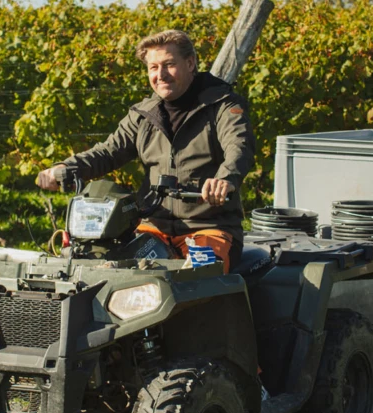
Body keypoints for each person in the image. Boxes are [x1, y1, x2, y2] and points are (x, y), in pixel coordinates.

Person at [36, 29, 254, 272]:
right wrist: (66, 168)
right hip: (153, 226)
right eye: (153, 67)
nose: (160, 75)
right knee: (105, 271)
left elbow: (239, 147)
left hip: (207, 226)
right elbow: (109, 152)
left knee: (198, 280)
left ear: (190, 63)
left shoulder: (223, 106)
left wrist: (224, 179)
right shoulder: (144, 114)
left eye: (169, 65)